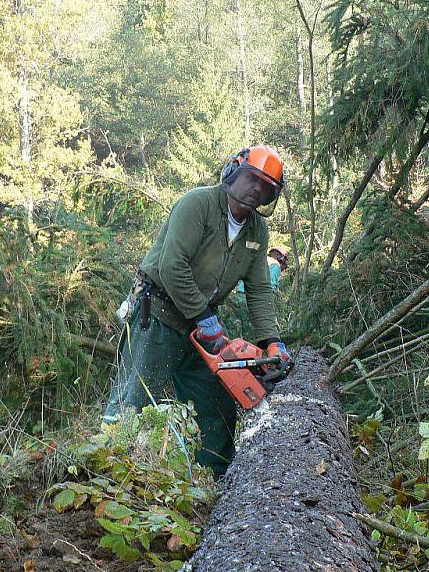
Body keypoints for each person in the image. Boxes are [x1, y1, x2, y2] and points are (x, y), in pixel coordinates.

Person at [103, 145, 292, 478]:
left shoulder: (256, 232)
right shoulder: (199, 204)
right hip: (158, 315)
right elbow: (172, 266)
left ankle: (215, 481)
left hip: (200, 328)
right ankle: (105, 468)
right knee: (132, 401)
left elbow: (260, 288)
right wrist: (206, 319)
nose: (255, 190)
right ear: (234, 173)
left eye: (265, 187)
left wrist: (271, 341)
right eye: (251, 179)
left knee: (216, 405)